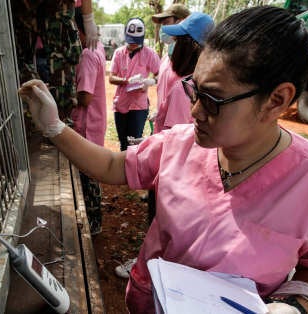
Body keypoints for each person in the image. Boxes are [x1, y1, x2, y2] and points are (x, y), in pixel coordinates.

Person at [19, 5, 308, 314]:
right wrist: (53, 128)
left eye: (213, 99)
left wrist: (295, 307)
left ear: (276, 100)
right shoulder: (179, 144)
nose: (196, 110)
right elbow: (113, 166)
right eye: (194, 90)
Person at [115, 11, 215, 280]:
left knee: (163, 220)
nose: (171, 41)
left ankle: (151, 268)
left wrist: (151, 145)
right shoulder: (188, 77)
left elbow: (177, 136)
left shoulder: (188, 87)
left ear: (192, 46)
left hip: (175, 166)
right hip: (178, 162)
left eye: (178, 39)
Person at [71, 12, 107, 235]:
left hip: (86, 125)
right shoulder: (99, 48)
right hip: (95, 122)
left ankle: (93, 222)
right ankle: (95, 219)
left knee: (88, 174)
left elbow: (85, 97)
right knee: (91, 172)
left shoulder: (87, 54)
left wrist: (66, 98)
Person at [109, 18, 160, 151]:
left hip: (139, 105)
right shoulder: (119, 53)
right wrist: (127, 81)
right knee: (123, 142)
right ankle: (122, 170)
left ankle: (132, 170)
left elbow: (160, 75)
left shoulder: (150, 54)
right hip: (121, 103)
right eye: (130, 41)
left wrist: (151, 81)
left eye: (136, 42)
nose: (132, 45)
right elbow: (111, 77)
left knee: (134, 142)